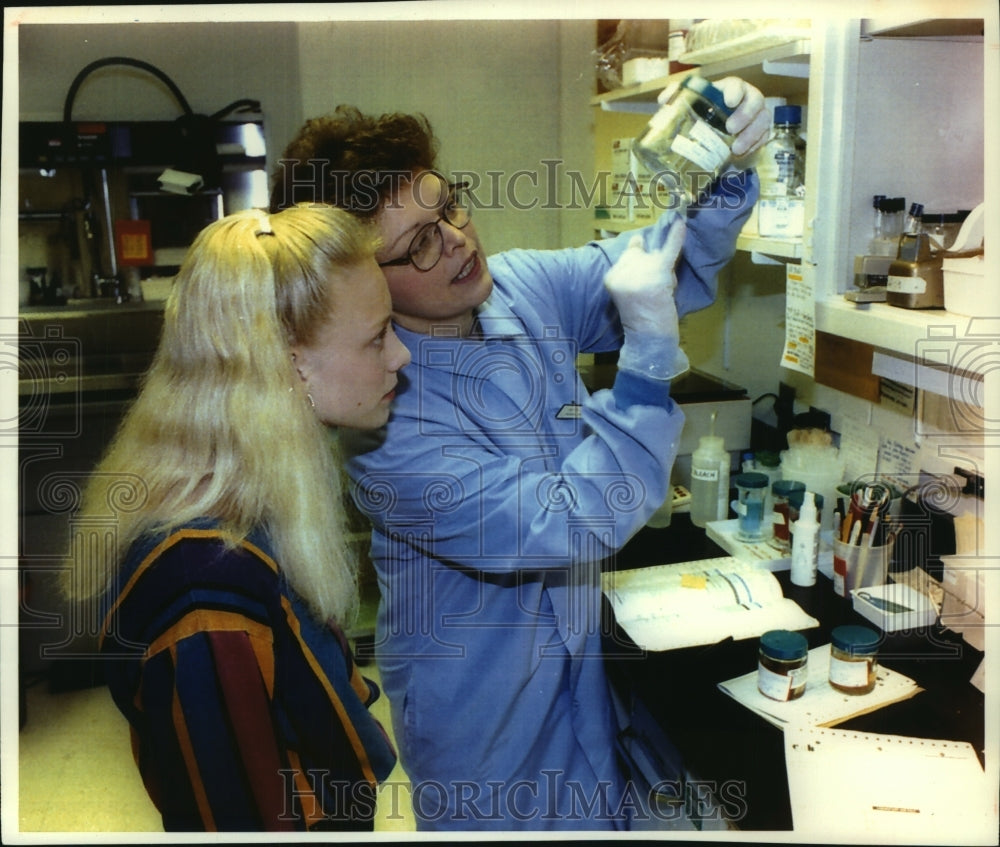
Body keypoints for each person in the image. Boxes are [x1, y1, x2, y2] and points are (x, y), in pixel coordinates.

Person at [269, 78, 769, 831]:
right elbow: (565, 522)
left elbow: (665, 258)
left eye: (450, 205)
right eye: (420, 244)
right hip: (484, 716)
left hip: (581, 676)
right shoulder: (384, 431)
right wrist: (647, 355)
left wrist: (720, 160)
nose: (459, 241)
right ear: (365, 281)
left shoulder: (523, 288)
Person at [60, 204, 410, 832]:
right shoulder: (207, 587)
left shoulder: (254, 507)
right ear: (290, 362)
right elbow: (239, 820)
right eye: (378, 336)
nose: (401, 355)